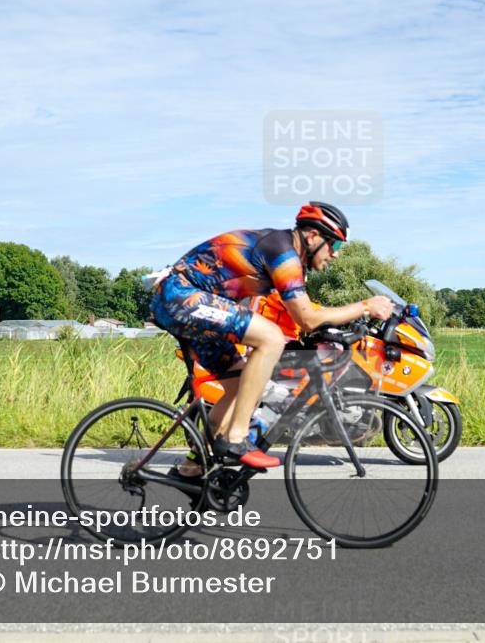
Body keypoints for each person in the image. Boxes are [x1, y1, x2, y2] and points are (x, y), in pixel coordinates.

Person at [150, 201, 394, 475]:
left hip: (189, 302)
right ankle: (236, 438)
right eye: (334, 245)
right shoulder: (282, 252)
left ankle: (192, 467)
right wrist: (364, 306)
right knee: (271, 339)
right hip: (179, 296)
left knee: (240, 383)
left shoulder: (288, 257)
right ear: (313, 236)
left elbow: (305, 311)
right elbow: (307, 319)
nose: (335, 255)